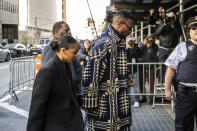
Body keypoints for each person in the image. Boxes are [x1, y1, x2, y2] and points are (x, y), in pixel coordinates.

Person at [82, 10, 135, 130]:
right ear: (119, 24)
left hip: (118, 103)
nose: (130, 31)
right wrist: (89, 103)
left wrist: (127, 75)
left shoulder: (118, 41)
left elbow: (114, 67)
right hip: (104, 105)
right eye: (129, 27)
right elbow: (91, 74)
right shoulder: (105, 42)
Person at [27, 35, 83, 131]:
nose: (76, 56)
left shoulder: (66, 66)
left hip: (68, 123)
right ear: (63, 51)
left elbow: (68, 96)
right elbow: (37, 108)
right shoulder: (47, 71)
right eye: (74, 52)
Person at [165, 16, 197, 131]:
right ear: (189, 31)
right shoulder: (182, 46)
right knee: (183, 127)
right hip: (186, 95)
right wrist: (167, 89)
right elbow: (171, 69)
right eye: (194, 27)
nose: (196, 30)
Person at [41, 21, 82, 105]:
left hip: (70, 93)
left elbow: (76, 69)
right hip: (60, 98)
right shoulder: (51, 47)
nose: (69, 32)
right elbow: (47, 73)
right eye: (66, 30)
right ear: (56, 32)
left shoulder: (67, 45)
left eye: (69, 30)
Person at [139, 34, 158, 104]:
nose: (150, 41)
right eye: (149, 40)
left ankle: (151, 98)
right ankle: (143, 97)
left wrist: (150, 47)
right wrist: (143, 45)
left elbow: (153, 55)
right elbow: (138, 53)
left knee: (151, 84)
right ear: (146, 40)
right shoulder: (143, 46)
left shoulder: (155, 46)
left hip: (151, 67)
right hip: (142, 67)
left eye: (151, 40)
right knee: (141, 83)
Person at [126, 37, 141, 108]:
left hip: (135, 70)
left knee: (136, 86)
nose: (131, 43)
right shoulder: (126, 49)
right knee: (127, 86)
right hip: (127, 70)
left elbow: (139, 55)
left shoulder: (136, 49)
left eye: (132, 42)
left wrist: (136, 45)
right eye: (130, 42)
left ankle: (137, 101)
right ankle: (127, 100)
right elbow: (124, 55)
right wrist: (127, 46)